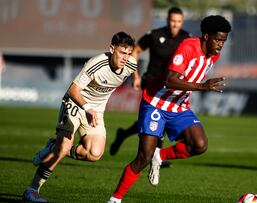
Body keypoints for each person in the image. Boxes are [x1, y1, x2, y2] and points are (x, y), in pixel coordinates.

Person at [107, 15, 232, 203]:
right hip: (156, 102)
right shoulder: (188, 47)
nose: (221, 44)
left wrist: (198, 88)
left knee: (200, 145)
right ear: (206, 36)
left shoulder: (214, 54)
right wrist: (202, 87)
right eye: (218, 39)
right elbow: (170, 80)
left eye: (224, 40)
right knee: (143, 157)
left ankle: (161, 155)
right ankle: (115, 199)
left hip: (179, 106)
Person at [22, 32, 137, 202]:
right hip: (76, 104)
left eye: (129, 53)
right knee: (62, 149)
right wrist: (87, 107)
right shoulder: (96, 64)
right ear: (112, 49)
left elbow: (133, 68)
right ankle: (32, 190)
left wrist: (138, 79)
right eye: (122, 52)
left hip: (95, 110)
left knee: (94, 153)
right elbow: (73, 90)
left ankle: (54, 145)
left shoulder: (131, 65)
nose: (125, 57)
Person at [109, 7, 190, 158]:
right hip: (152, 82)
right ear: (167, 20)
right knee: (158, 116)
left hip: (171, 84)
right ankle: (156, 156)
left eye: (179, 21)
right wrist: (136, 76)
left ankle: (124, 135)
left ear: (182, 22)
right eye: (173, 21)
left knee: (155, 118)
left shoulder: (186, 38)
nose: (175, 24)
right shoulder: (154, 35)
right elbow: (135, 51)